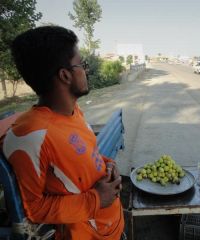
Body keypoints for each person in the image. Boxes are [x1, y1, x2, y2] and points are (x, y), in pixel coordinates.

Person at [1, 26, 124, 239]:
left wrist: (107, 164)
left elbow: (84, 155)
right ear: (65, 75)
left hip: (110, 226)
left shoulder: (73, 111)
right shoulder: (32, 136)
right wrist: (96, 199)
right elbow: (35, 209)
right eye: (82, 65)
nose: (86, 70)